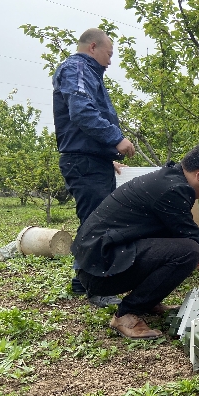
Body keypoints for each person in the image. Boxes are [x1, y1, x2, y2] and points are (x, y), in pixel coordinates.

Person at [72, 142, 199, 340]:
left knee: (187, 247)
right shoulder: (173, 189)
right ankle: (126, 314)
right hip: (100, 270)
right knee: (189, 251)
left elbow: (180, 229)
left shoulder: (170, 179)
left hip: (99, 261)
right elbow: (191, 235)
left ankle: (147, 302)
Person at [53, 28, 135, 307]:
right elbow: (82, 112)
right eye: (108, 54)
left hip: (90, 158)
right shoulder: (77, 67)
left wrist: (105, 155)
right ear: (92, 47)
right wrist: (116, 139)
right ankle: (97, 288)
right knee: (97, 223)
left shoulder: (84, 71)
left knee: (92, 221)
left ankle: (81, 281)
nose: (109, 62)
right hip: (82, 160)